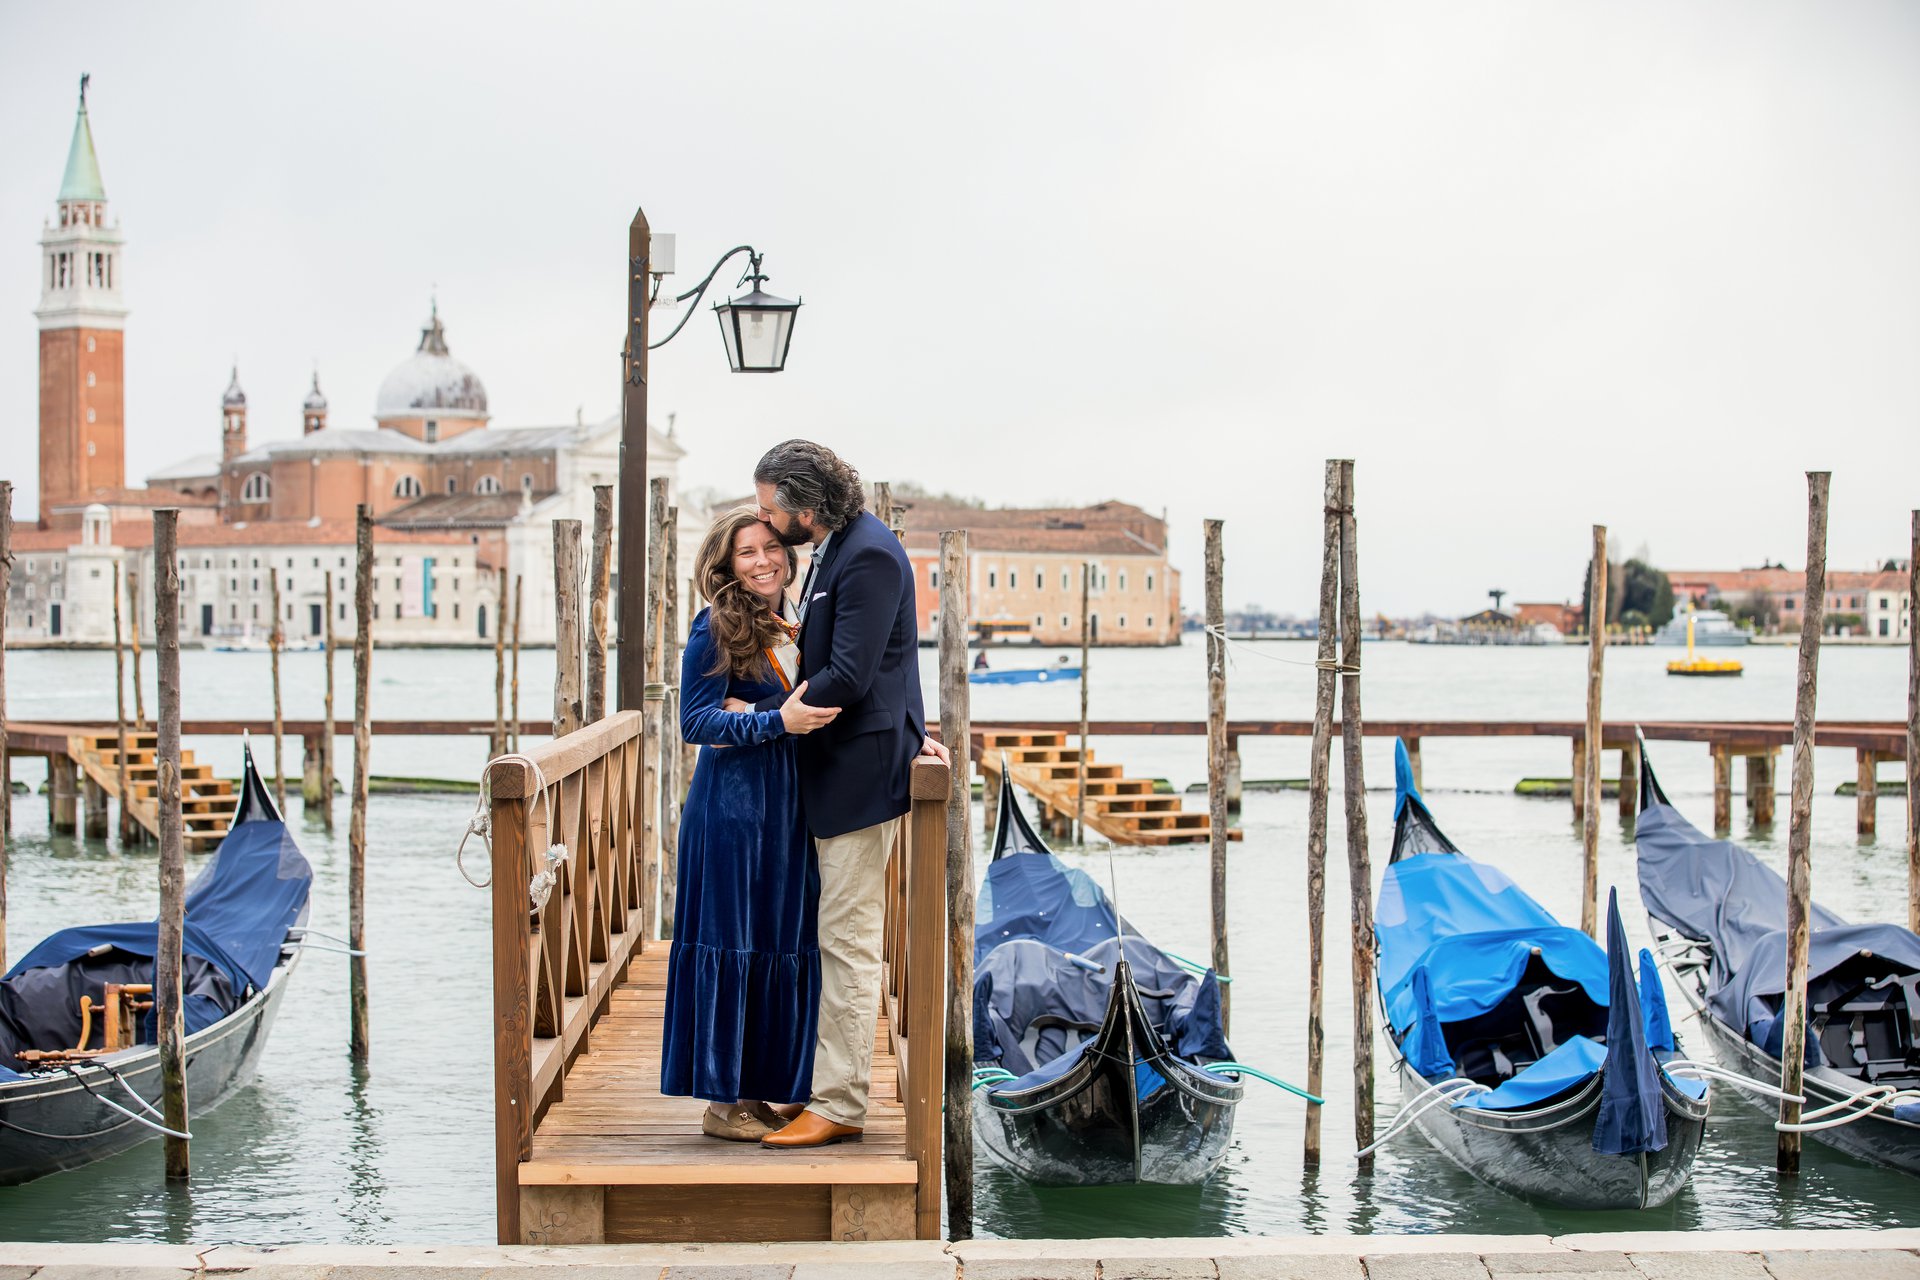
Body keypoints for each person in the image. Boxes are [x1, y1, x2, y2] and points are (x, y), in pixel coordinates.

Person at [750, 440, 951, 1150]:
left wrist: (763, 716)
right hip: (845, 765)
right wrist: (914, 729)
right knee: (832, 934)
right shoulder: (840, 546)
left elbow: (851, 673)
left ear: (805, 506)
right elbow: (892, 661)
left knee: (847, 940)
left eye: (769, 509)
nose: (763, 521)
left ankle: (839, 1103)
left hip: (859, 775)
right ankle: (823, 1085)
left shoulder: (866, 553)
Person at [659, 507, 842, 1141]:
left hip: (787, 806)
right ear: (726, 564)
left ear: (789, 555)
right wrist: (775, 720)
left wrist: (912, 739)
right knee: (733, 940)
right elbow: (696, 722)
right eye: (747, 552)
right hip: (733, 809)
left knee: (776, 940)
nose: (763, 561)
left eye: (771, 548)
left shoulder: (797, 620)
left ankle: (758, 1092)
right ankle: (721, 1104)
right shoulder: (715, 624)